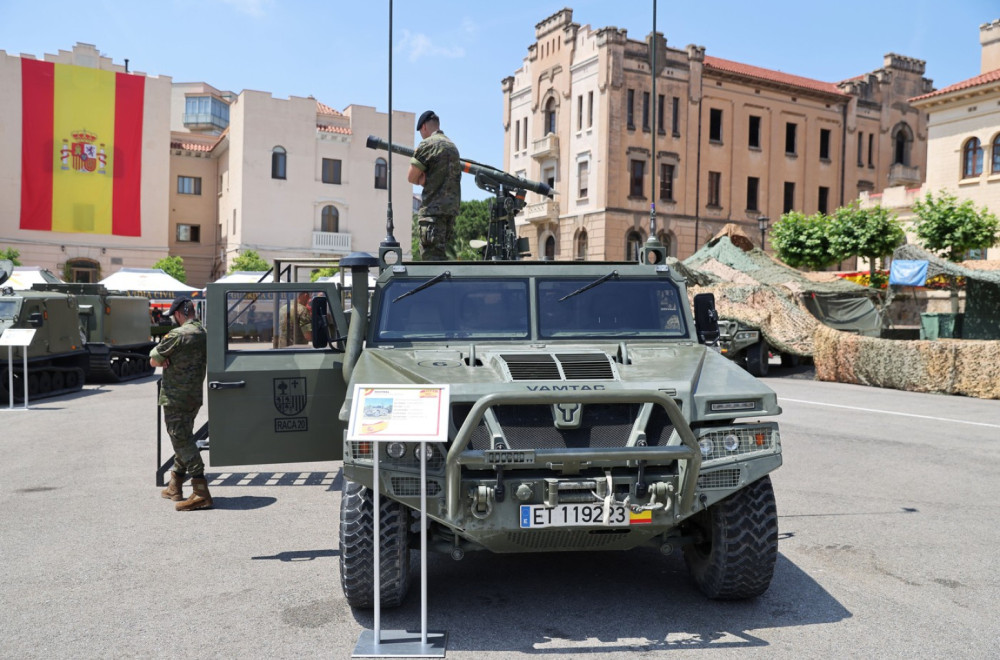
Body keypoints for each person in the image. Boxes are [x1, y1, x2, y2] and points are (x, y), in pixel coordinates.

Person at [149, 295, 211, 511]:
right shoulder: (203, 333)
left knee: (181, 439)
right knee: (183, 437)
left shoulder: (177, 334)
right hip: (194, 396)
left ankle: (201, 492)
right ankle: (174, 485)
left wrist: (162, 357)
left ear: (177, 314)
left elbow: (154, 359)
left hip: (176, 397)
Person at [408, 110, 461, 261]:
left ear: (423, 127)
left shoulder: (427, 144)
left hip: (432, 214)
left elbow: (411, 177)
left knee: (431, 264)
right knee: (443, 260)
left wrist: (421, 179)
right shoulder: (452, 146)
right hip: (450, 213)